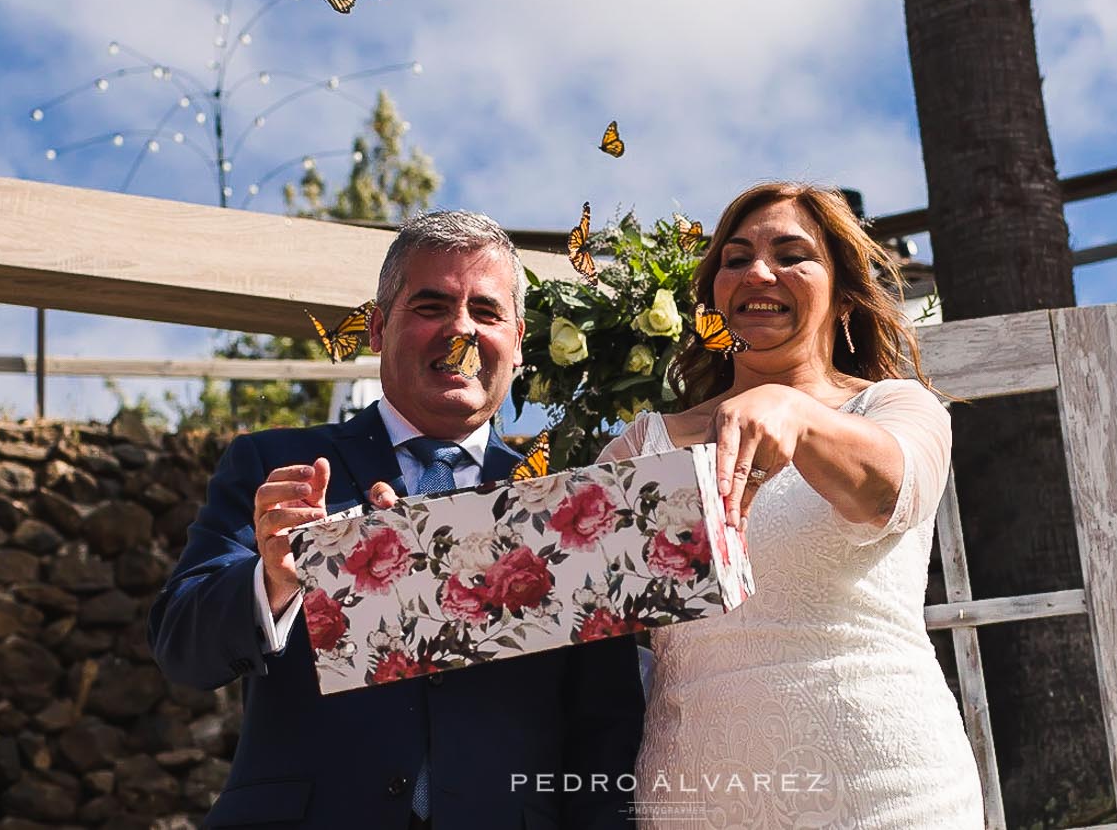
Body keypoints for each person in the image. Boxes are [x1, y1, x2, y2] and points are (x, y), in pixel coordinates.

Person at [150, 211, 643, 830]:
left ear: (518, 342)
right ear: (379, 328)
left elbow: (606, 729)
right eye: (431, 306)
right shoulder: (275, 467)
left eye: (486, 313)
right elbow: (182, 649)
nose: (459, 330)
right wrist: (275, 578)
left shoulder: (571, 507)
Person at [594, 182, 984, 829]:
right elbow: (552, 591)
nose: (758, 271)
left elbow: (888, 488)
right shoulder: (645, 443)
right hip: (699, 801)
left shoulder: (894, 408)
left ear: (842, 290)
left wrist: (793, 412)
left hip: (890, 795)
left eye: (791, 253)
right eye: (735, 256)